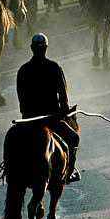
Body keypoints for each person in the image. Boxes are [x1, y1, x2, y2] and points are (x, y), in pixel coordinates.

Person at [17, 33, 81, 183]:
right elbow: (64, 102)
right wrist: (63, 111)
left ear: (31, 48)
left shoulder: (23, 70)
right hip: (51, 120)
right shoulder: (54, 68)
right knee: (74, 138)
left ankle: (12, 170)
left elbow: (22, 102)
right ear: (46, 48)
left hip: (29, 120)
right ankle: (68, 174)